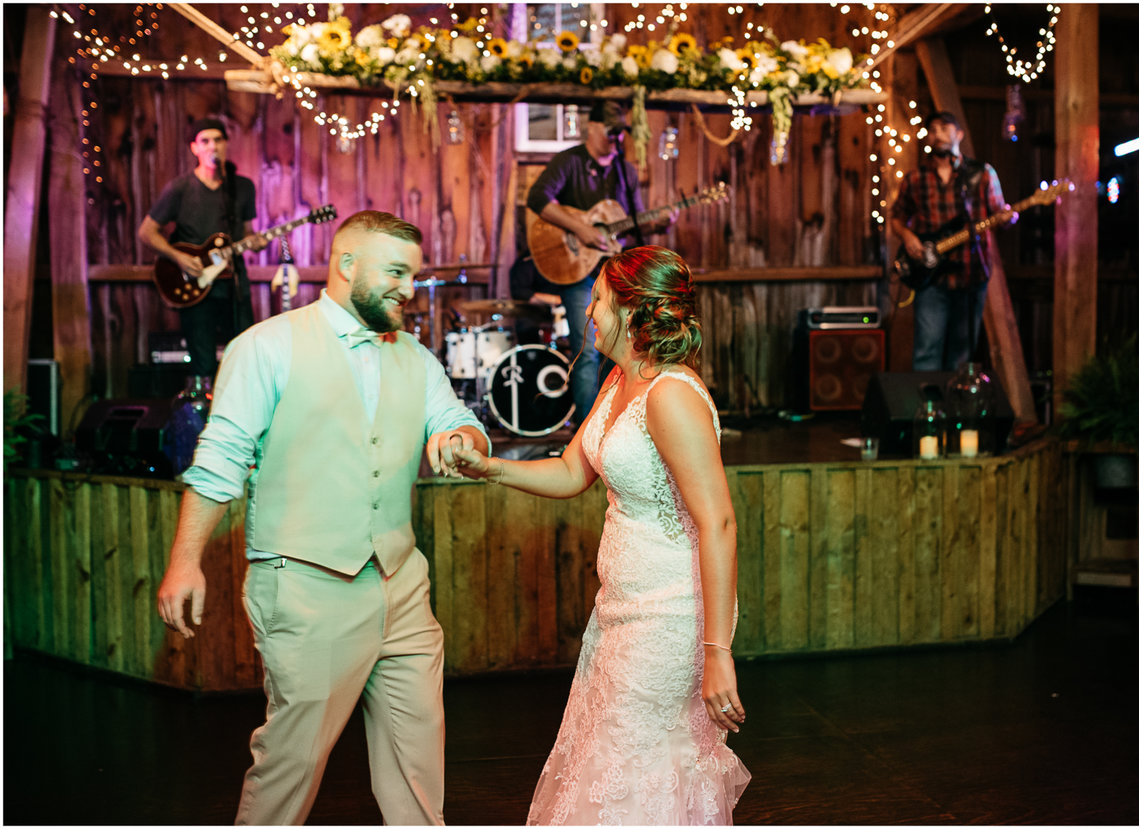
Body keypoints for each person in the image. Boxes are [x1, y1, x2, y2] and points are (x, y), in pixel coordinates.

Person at [152, 211, 487, 824]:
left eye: (412, 275)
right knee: (293, 760)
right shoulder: (266, 346)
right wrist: (184, 562)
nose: (408, 290)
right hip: (306, 584)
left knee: (419, 762)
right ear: (346, 264)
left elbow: (460, 421)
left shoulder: (415, 356)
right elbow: (220, 460)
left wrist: (462, 436)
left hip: (402, 584)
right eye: (395, 272)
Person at [448, 246, 750, 824]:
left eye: (600, 301)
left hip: (669, 619)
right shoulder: (620, 381)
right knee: (609, 760)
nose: (589, 313)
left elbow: (720, 523)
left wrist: (718, 653)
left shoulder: (671, 396)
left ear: (635, 312)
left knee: (637, 768)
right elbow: (570, 471)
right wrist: (492, 469)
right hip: (619, 611)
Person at [517, 102, 674, 425]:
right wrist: (581, 229)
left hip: (616, 273)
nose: (616, 139)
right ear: (592, 127)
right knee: (586, 351)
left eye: (621, 133)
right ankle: (590, 434)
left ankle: (623, 425)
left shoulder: (625, 170)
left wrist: (657, 224)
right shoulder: (570, 161)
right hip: (577, 272)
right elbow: (537, 198)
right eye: (610, 131)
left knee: (627, 347)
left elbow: (634, 222)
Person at [138, 116, 270, 379]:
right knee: (204, 362)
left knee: (245, 355)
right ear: (194, 148)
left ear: (226, 144)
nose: (213, 146)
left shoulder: (242, 187)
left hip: (233, 285)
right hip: (195, 286)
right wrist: (179, 258)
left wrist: (256, 243)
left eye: (218, 140)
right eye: (205, 141)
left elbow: (246, 233)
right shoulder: (180, 188)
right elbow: (146, 232)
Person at [890, 111, 1015, 373]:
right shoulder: (915, 178)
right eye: (932, 130)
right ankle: (927, 410)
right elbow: (896, 218)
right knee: (927, 351)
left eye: (944, 128)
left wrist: (1008, 217)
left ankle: (956, 409)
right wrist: (909, 237)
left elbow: (999, 215)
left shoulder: (982, 173)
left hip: (971, 274)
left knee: (962, 355)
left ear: (959, 134)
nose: (937, 134)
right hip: (930, 276)